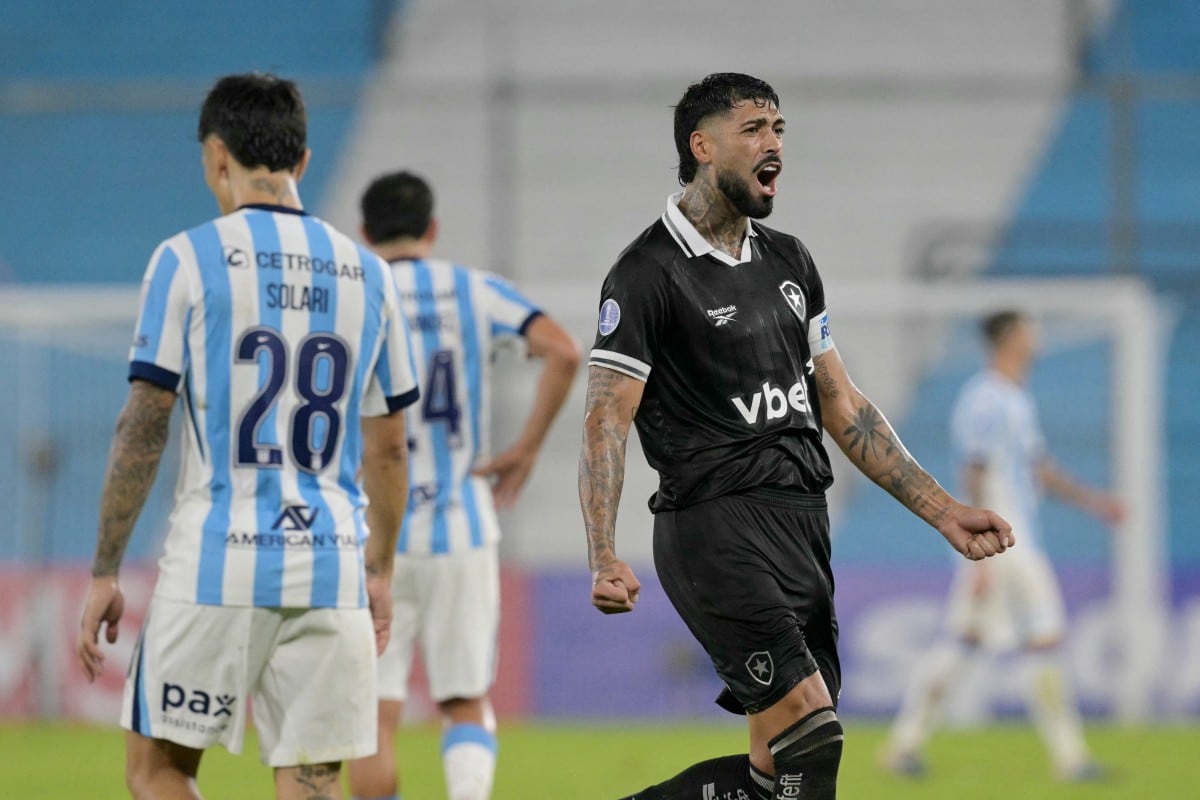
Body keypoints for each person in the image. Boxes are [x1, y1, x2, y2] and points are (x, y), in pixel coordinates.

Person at [577, 71, 1015, 800]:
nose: (773, 143)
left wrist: (943, 511)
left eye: (778, 128)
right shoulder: (647, 273)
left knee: (777, 773)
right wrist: (601, 552)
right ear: (702, 146)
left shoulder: (789, 261)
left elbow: (841, 403)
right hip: (715, 526)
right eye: (753, 129)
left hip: (801, 525)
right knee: (814, 734)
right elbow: (605, 418)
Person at [75, 73, 420, 800]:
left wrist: (106, 569)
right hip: (330, 567)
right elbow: (390, 447)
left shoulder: (187, 258)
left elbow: (144, 424)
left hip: (216, 566)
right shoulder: (370, 274)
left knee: (158, 770)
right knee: (314, 784)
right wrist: (380, 571)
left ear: (216, 155)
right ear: (303, 161)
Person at [348, 171, 581, 800]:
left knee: (373, 716)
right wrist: (525, 449)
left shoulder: (356, 294)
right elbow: (564, 351)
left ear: (365, 234)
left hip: (374, 535)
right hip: (462, 526)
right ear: (432, 228)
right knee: (465, 700)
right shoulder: (473, 289)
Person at [880, 310, 1124, 782]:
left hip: (1008, 540)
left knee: (964, 639)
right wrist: (978, 556)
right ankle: (1071, 758)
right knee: (1044, 638)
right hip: (1005, 541)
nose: (1037, 335)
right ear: (1010, 338)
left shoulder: (1014, 398)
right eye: (1029, 328)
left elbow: (1039, 470)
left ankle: (903, 744)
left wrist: (1094, 502)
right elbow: (973, 470)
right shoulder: (986, 398)